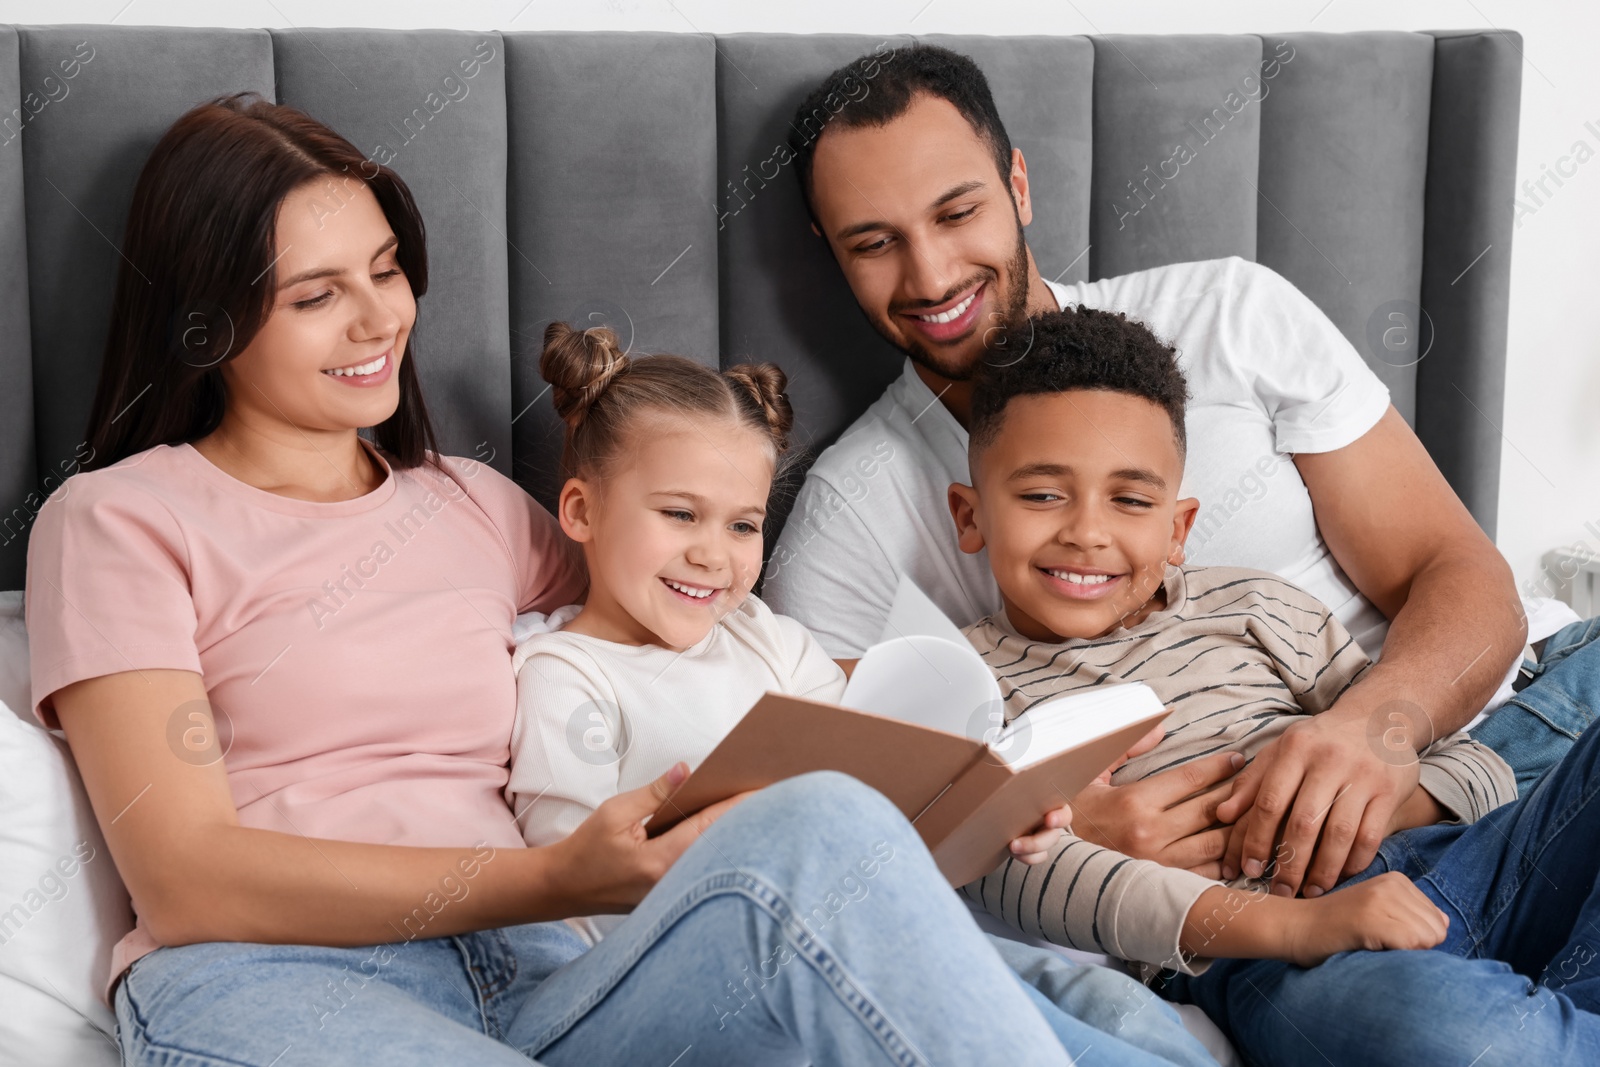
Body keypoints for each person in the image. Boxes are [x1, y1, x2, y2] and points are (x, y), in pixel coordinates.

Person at [24, 92, 1184, 1067]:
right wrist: (550, 874)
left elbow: (691, 616)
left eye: (386, 269)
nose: (379, 317)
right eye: (316, 294)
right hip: (284, 980)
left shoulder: (470, 506)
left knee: (826, 821)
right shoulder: (122, 518)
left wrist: (956, 777)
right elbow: (184, 877)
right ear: (206, 319)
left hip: (553, 973)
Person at [762, 42, 1587, 903]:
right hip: (1305, 881)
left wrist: (1376, 731)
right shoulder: (850, 515)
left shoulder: (1230, 312)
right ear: (831, 251)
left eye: (957, 211)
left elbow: (1460, 572)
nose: (931, 275)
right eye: (874, 243)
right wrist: (1056, 825)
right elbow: (845, 821)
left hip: (1532, 702)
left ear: (1017, 186)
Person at [504, 320, 1218, 1066]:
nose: (713, 554)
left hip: (841, 914)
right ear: (583, 511)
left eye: (743, 524)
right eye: (679, 513)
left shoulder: (760, 635)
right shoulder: (566, 671)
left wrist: (993, 817)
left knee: (1110, 1004)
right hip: (682, 967)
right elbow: (571, 894)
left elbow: (876, 803)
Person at [953, 305, 1600, 1064]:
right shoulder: (973, 689)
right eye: (1041, 495)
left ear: (1178, 529)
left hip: (1461, 860)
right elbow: (1017, 877)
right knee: (1464, 1039)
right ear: (970, 516)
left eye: (1130, 499)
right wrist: (1298, 917)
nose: (1087, 532)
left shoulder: (1258, 606)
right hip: (1267, 949)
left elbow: (1468, 763)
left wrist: (1342, 810)